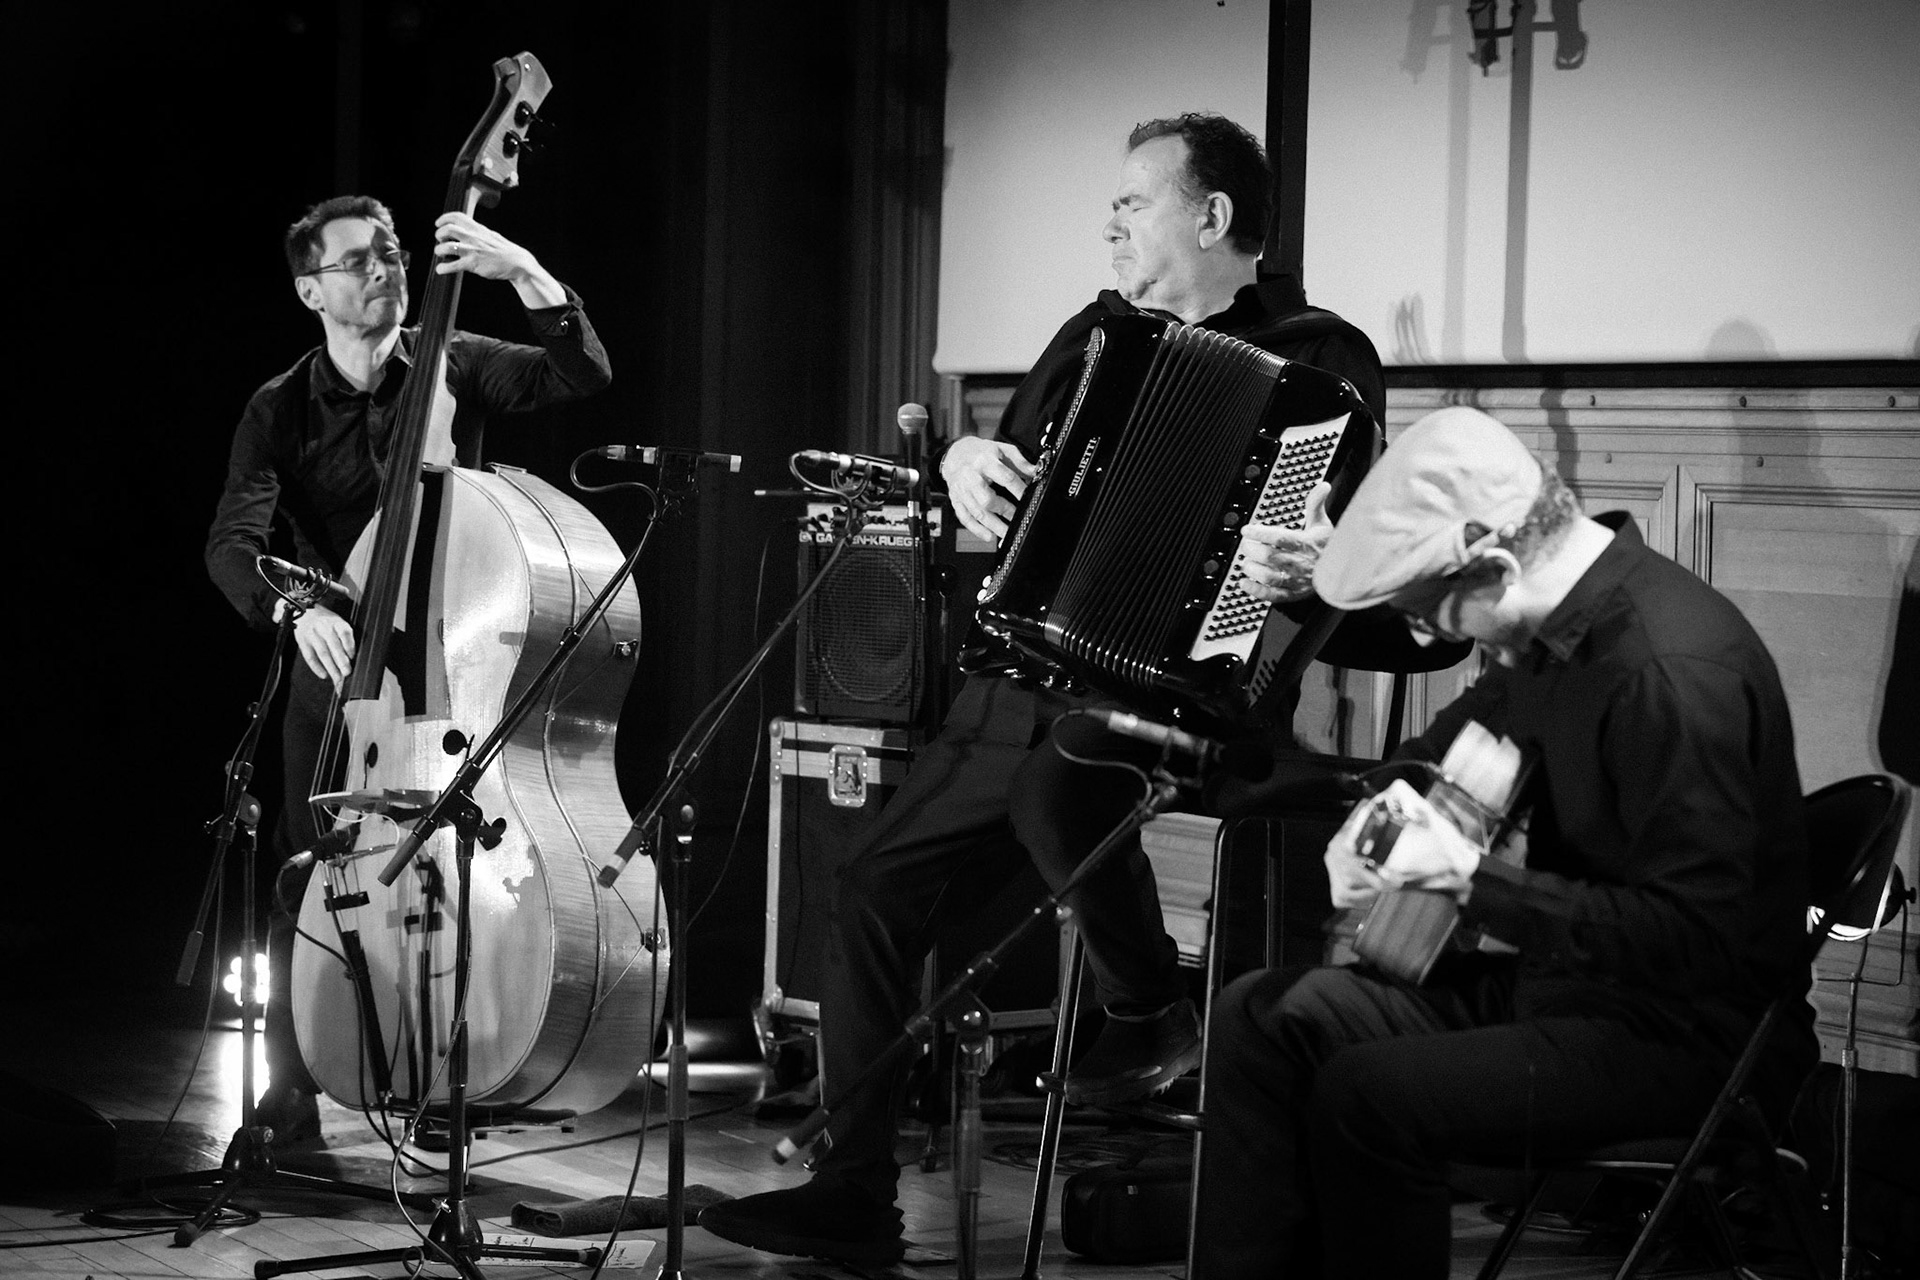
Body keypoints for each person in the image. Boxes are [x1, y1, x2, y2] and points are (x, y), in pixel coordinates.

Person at [702, 113, 1391, 1265]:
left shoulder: (1322, 361)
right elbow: (1003, 475)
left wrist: (1307, 560)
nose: (1111, 222)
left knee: (1060, 783)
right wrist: (960, 462)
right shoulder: (1096, 335)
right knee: (870, 885)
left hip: (1189, 687)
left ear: (1214, 218)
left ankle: (1142, 1005)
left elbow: (1349, 551)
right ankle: (854, 1190)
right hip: (1027, 668)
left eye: (1135, 201)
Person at [1192, 406, 1817, 1278]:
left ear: (1491, 560)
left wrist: (1469, 883)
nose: (1422, 636)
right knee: (1264, 1018)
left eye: (1425, 611)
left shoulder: (1670, 674)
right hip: (1562, 990)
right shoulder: (1543, 631)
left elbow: (1696, 943)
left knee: (1371, 1096)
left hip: (1685, 1037)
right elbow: (1428, 758)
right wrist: (1374, 823)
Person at [204, 195, 612, 1141]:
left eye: (391, 253)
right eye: (360, 261)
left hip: (453, 656)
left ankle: (447, 1073)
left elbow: (582, 369)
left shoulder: (454, 360)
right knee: (312, 872)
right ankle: (294, 1084)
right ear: (312, 289)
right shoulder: (281, 406)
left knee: (457, 870)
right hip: (339, 664)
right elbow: (232, 542)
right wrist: (292, 607)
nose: (386, 269)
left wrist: (519, 268)